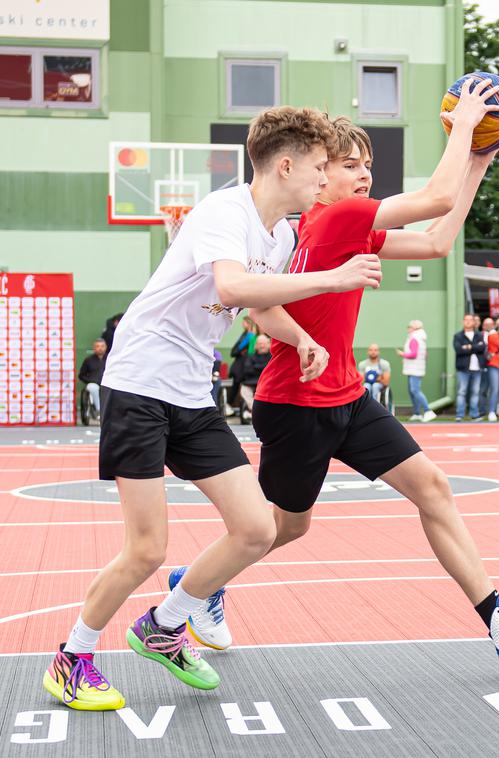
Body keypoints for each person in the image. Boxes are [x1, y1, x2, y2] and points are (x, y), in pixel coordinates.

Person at [189, 103, 499, 669]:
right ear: (319, 176)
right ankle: (199, 584)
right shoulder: (337, 219)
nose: (362, 175)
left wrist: (478, 162)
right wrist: (465, 125)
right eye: (349, 165)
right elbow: (434, 203)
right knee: (285, 528)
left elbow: (435, 243)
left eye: (366, 164)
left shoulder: (340, 225)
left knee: (433, 488)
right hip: (296, 403)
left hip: (346, 394)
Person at [43, 106, 384, 711]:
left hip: (190, 394)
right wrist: (333, 278)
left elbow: (257, 305)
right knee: (147, 548)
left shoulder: (279, 234)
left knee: (256, 528)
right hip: (141, 385)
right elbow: (232, 288)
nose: (324, 178)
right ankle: (73, 658)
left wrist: (301, 337)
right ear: (286, 164)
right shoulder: (224, 212)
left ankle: (165, 625)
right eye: (319, 166)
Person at [398, 319, 435, 422]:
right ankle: (417, 413)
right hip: (414, 367)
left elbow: (413, 354)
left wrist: (402, 354)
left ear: (415, 328)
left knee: (415, 390)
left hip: (415, 368)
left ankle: (428, 411)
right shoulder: (419, 338)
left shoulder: (415, 338)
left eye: (410, 327)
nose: (408, 329)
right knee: (412, 391)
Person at [453, 313, 486, 421]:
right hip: (463, 368)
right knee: (462, 391)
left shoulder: (479, 335)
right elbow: (459, 349)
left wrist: (469, 347)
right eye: (466, 320)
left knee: (475, 392)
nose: (468, 322)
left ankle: (474, 414)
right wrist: (474, 347)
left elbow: (482, 348)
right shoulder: (458, 336)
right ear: (463, 322)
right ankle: (460, 415)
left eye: (470, 320)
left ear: (474, 322)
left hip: (477, 368)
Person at [239, 334, 273, 421]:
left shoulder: (273, 356)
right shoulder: (250, 357)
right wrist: (264, 367)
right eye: (259, 344)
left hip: (268, 382)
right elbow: (247, 370)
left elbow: (273, 369)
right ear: (256, 345)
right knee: (244, 389)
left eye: (263, 343)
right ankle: (254, 409)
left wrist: (256, 367)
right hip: (252, 382)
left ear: (269, 345)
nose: (262, 346)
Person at [78, 338, 107, 417]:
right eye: (97, 346)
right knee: (92, 387)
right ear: (94, 348)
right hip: (94, 384)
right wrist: (90, 381)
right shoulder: (88, 360)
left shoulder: (110, 359)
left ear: (106, 347)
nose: (100, 348)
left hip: (107, 384)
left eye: (102, 346)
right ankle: (99, 410)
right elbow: (81, 375)